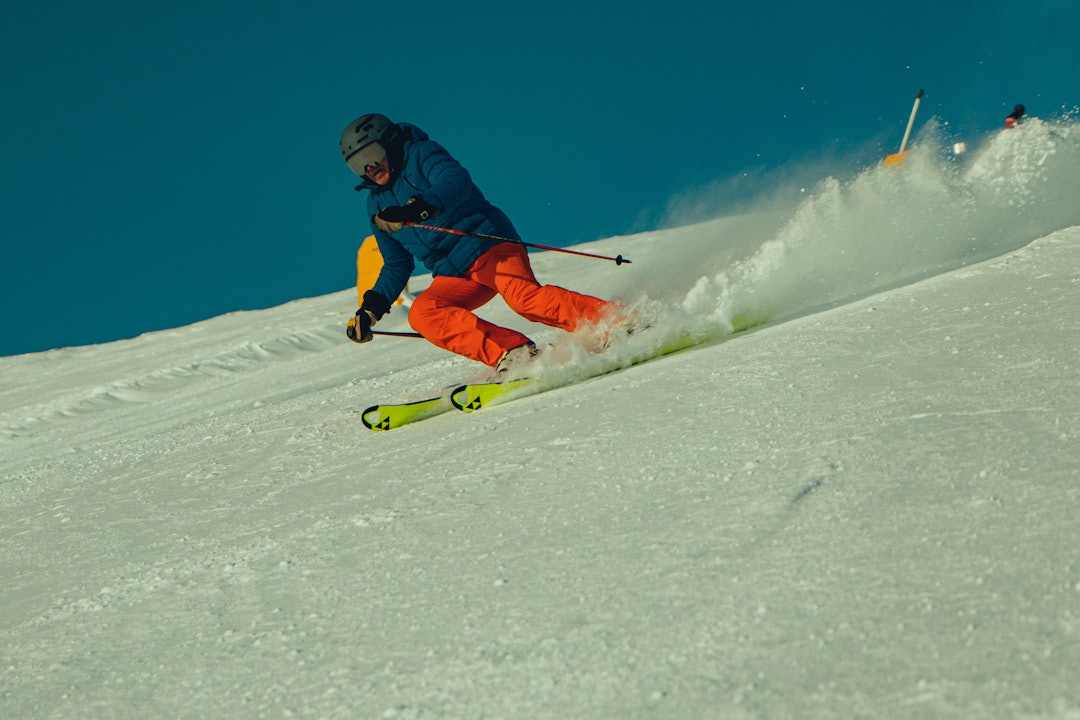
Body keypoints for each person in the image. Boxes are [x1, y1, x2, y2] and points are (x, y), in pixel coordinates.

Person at [340, 114, 614, 371]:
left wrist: (419, 208)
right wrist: (371, 310)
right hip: (453, 275)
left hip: (488, 248)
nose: (369, 168)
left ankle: (611, 321)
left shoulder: (420, 154)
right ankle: (514, 353)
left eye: (371, 155)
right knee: (423, 313)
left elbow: (456, 181)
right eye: (357, 164)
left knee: (524, 299)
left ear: (389, 143)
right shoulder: (376, 206)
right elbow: (396, 265)